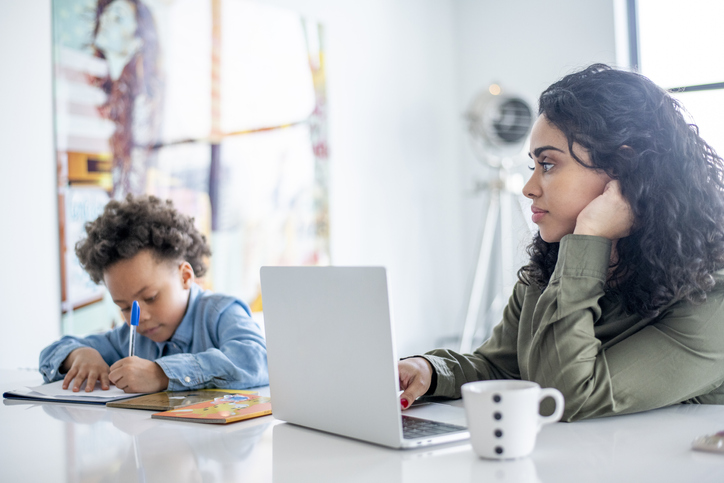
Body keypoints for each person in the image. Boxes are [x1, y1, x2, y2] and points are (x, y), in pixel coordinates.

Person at [399, 64, 724, 422]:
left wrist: (589, 238)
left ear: (624, 167)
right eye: (532, 166)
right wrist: (431, 370)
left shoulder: (711, 293)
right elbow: (505, 367)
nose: (529, 188)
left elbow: (564, 397)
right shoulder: (552, 264)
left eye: (548, 164)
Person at [40, 195, 268, 393]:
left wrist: (162, 374)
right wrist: (79, 355)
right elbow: (51, 353)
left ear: (185, 277)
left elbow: (256, 359)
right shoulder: (129, 338)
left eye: (150, 297)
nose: (139, 317)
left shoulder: (221, 312)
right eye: (124, 307)